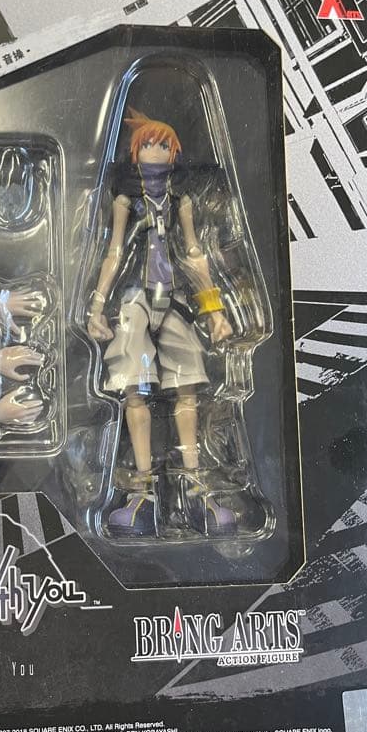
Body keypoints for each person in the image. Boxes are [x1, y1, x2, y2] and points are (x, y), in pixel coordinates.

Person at [86, 108, 232, 534]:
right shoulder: (125, 200)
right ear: (135, 152)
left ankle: (195, 487)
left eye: (164, 145)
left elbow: (195, 254)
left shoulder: (180, 200)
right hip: (134, 299)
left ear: (174, 153)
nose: (155, 150)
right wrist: (97, 306)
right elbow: (114, 252)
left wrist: (215, 311)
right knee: (134, 389)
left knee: (187, 387)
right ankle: (142, 492)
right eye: (148, 144)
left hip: (176, 301)